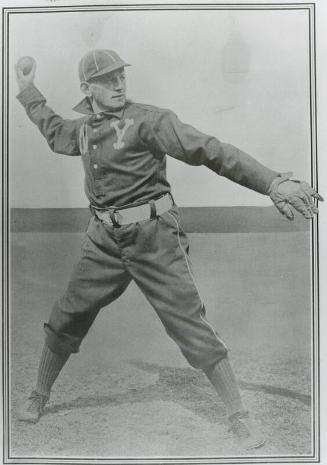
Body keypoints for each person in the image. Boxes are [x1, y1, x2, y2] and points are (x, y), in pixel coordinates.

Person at [15, 49, 323, 450]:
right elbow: (54, 130)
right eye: (108, 80)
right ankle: (39, 394)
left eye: (121, 76)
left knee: (189, 324)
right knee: (67, 315)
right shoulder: (85, 129)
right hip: (104, 240)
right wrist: (27, 90)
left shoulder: (151, 120)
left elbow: (211, 150)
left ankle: (238, 415)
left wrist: (271, 183)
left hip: (155, 237)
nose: (119, 84)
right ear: (87, 89)